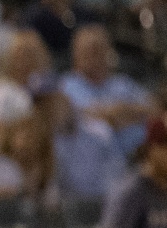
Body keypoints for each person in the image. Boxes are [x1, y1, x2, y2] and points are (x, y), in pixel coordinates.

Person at [61, 24, 153, 155]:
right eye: (88, 51)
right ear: (75, 54)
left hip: (136, 156)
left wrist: (124, 110)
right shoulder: (66, 86)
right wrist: (112, 115)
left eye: (98, 50)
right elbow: (75, 118)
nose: (93, 57)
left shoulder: (122, 83)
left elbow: (153, 108)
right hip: (91, 160)